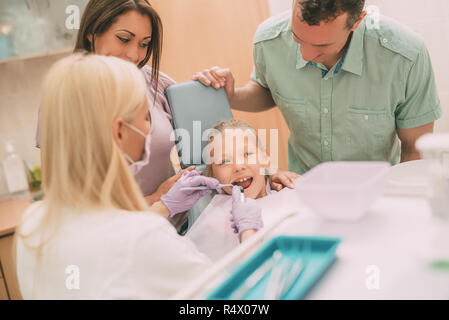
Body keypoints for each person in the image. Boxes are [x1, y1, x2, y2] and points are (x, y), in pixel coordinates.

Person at [16, 53, 264, 299]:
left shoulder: (33, 224)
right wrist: (249, 233)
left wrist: (163, 206)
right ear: (119, 132)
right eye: (146, 117)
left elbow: (106, 241)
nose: (151, 128)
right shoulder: (144, 239)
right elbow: (244, 299)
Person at [35, 0, 298, 229]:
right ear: (92, 32)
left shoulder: (156, 84)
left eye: (144, 44)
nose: (134, 55)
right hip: (119, 239)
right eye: (124, 39)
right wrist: (157, 200)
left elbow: (220, 150)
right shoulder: (63, 101)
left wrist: (259, 177)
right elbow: (66, 207)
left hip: (179, 229)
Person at [193, 0, 442, 175]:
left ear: (357, 21)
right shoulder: (268, 41)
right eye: (297, 38)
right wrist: (233, 95)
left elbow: (416, 149)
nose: (306, 54)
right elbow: (268, 90)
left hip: (378, 193)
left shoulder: (405, 56)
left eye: (322, 46)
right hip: (302, 187)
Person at [186, 120, 301, 261]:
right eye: (224, 161)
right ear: (212, 176)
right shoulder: (214, 225)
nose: (239, 166)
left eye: (247, 154)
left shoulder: (290, 193)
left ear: (265, 158)